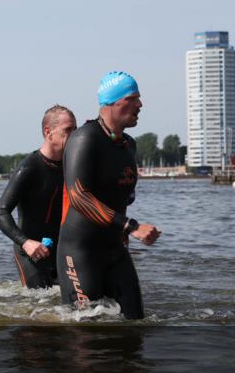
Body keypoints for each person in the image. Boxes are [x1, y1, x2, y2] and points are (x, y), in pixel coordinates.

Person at [57, 72, 160, 320]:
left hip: (114, 248)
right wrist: (129, 226)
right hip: (81, 251)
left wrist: (122, 229)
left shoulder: (128, 145)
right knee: (86, 332)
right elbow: (80, 197)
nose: (140, 105)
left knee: (136, 322)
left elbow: (122, 194)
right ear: (112, 102)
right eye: (133, 98)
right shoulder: (84, 139)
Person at [0, 105, 76, 289]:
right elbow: (0, 212)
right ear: (49, 132)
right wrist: (25, 243)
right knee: (39, 304)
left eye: (75, 129)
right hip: (31, 252)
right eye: (68, 129)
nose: (74, 135)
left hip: (62, 250)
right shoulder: (30, 167)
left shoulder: (73, 166)